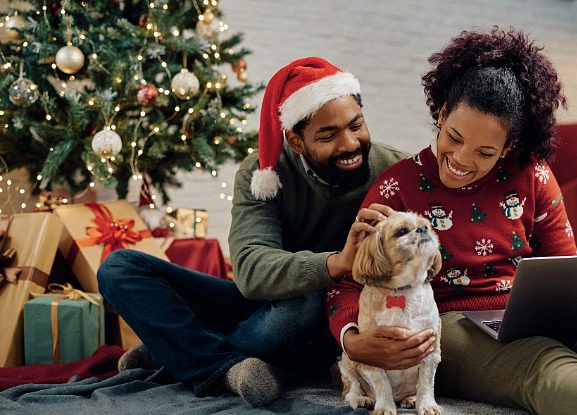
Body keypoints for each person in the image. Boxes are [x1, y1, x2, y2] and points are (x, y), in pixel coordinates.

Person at [326, 28, 577, 415]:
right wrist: (354, 340)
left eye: (485, 151)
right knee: (542, 363)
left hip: (532, 307)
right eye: (454, 137)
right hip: (452, 320)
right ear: (442, 113)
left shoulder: (531, 174)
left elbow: (568, 267)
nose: (463, 160)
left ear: (509, 145)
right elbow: (347, 280)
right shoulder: (397, 187)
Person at [97, 57, 406, 407]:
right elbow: (250, 270)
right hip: (261, 306)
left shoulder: (397, 171)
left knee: (303, 305)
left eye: (356, 125)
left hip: (334, 319)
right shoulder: (263, 175)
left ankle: (178, 354)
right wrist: (335, 263)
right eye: (328, 135)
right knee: (120, 268)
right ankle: (224, 367)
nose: (350, 144)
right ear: (296, 141)